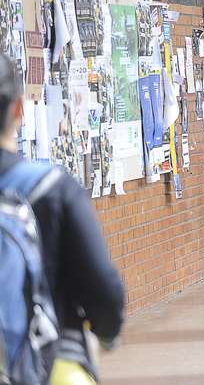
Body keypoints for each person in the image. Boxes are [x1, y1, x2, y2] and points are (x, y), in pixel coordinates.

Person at [0, 54, 125, 383]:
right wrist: (107, 332)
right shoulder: (52, 189)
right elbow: (102, 287)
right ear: (18, 109)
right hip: (51, 366)